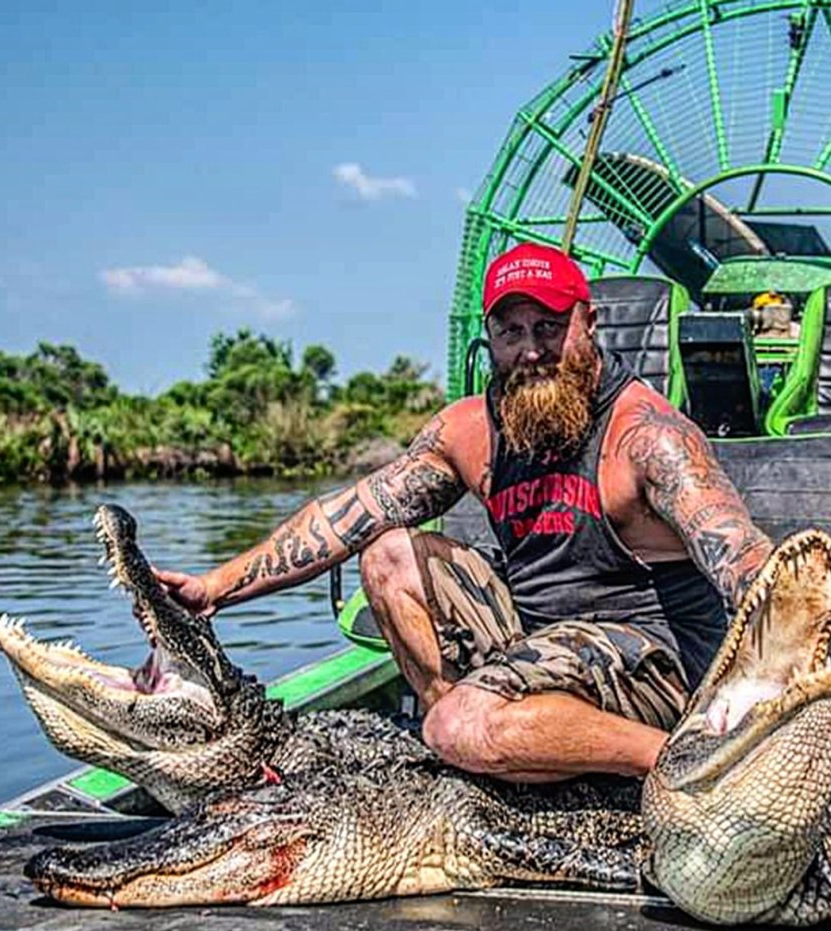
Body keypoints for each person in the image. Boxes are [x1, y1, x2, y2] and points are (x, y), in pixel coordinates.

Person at [156, 242, 774, 783]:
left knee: (457, 727)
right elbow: (344, 516)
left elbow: (747, 562)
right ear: (491, 338)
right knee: (389, 554)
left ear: (590, 324)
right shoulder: (470, 430)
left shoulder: (647, 437)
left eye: (549, 327)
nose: (531, 351)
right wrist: (214, 588)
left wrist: (764, 679)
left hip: (651, 663)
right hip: (538, 637)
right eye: (512, 332)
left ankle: (679, 761)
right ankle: (479, 738)